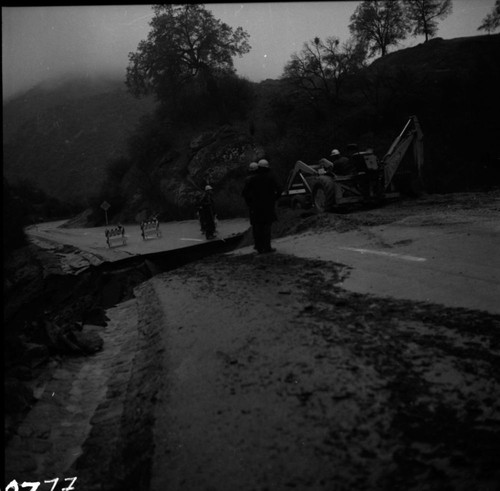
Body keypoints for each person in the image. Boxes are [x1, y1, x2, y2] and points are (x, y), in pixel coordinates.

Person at [241, 158, 282, 254]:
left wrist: (250, 204)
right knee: (267, 227)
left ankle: (259, 248)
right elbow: (279, 189)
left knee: (257, 227)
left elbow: (245, 193)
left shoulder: (252, 179)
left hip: (255, 207)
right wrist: (273, 199)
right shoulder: (271, 177)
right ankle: (267, 247)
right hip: (268, 206)